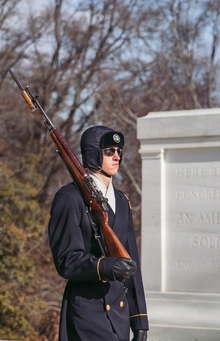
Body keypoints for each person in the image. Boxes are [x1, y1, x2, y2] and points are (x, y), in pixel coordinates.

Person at [48, 125, 149, 341]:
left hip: (119, 316)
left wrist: (139, 319)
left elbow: (131, 263)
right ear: (94, 154)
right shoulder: (69, 198)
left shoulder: (122, 201)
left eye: (119, 151)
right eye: (109, 151)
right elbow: (66, 260)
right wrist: (106, 266)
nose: (117, 157)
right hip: (87, 312)